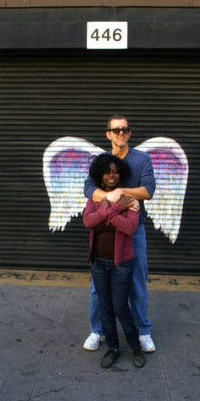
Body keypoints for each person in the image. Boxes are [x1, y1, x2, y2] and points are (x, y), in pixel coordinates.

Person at [83, 115, 156, 353]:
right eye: (115, 130)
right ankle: (98, 330)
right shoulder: (102, 160)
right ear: (108, 134)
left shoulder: (142, 159)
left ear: (130, 133)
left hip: (132, 230)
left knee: (137, 282)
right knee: (98, 286)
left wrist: (121, 193)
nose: (120, 133)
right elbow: (88, 189)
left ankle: (143, 331)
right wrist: (114, 200)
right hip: (104, 231)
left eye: (124, 129)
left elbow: (148, 190)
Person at [83, 153, 145, 368]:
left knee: (120, 307)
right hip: (99, 263)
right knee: (105, 308)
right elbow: (88, 222)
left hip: (121, 264)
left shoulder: (132, 200)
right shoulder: (95, 200)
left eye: (115, 172)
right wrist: (117, 208)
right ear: (100, 177)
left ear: (121, 177)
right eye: (107, 172)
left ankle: (135, 346)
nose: (112, 175)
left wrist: (107, 213)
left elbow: (129, 228)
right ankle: (113, 348)